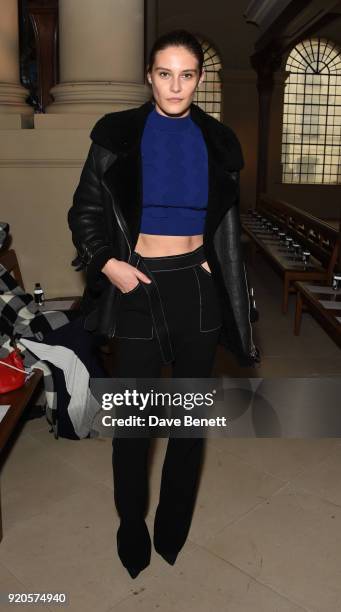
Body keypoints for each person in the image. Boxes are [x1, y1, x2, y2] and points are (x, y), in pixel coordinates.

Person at [68, 29, 260, 579]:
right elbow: (83, 211)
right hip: (137, 286)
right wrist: (110, 265)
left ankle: (173, 525)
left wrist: (213, 267)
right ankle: (131, 523)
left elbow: (226, 227)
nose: (175, 85)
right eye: (164, 73)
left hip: (196, 288)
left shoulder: (219, 142)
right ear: (149, 77)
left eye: (187, 74)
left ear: (200, 78)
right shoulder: (118, 136)